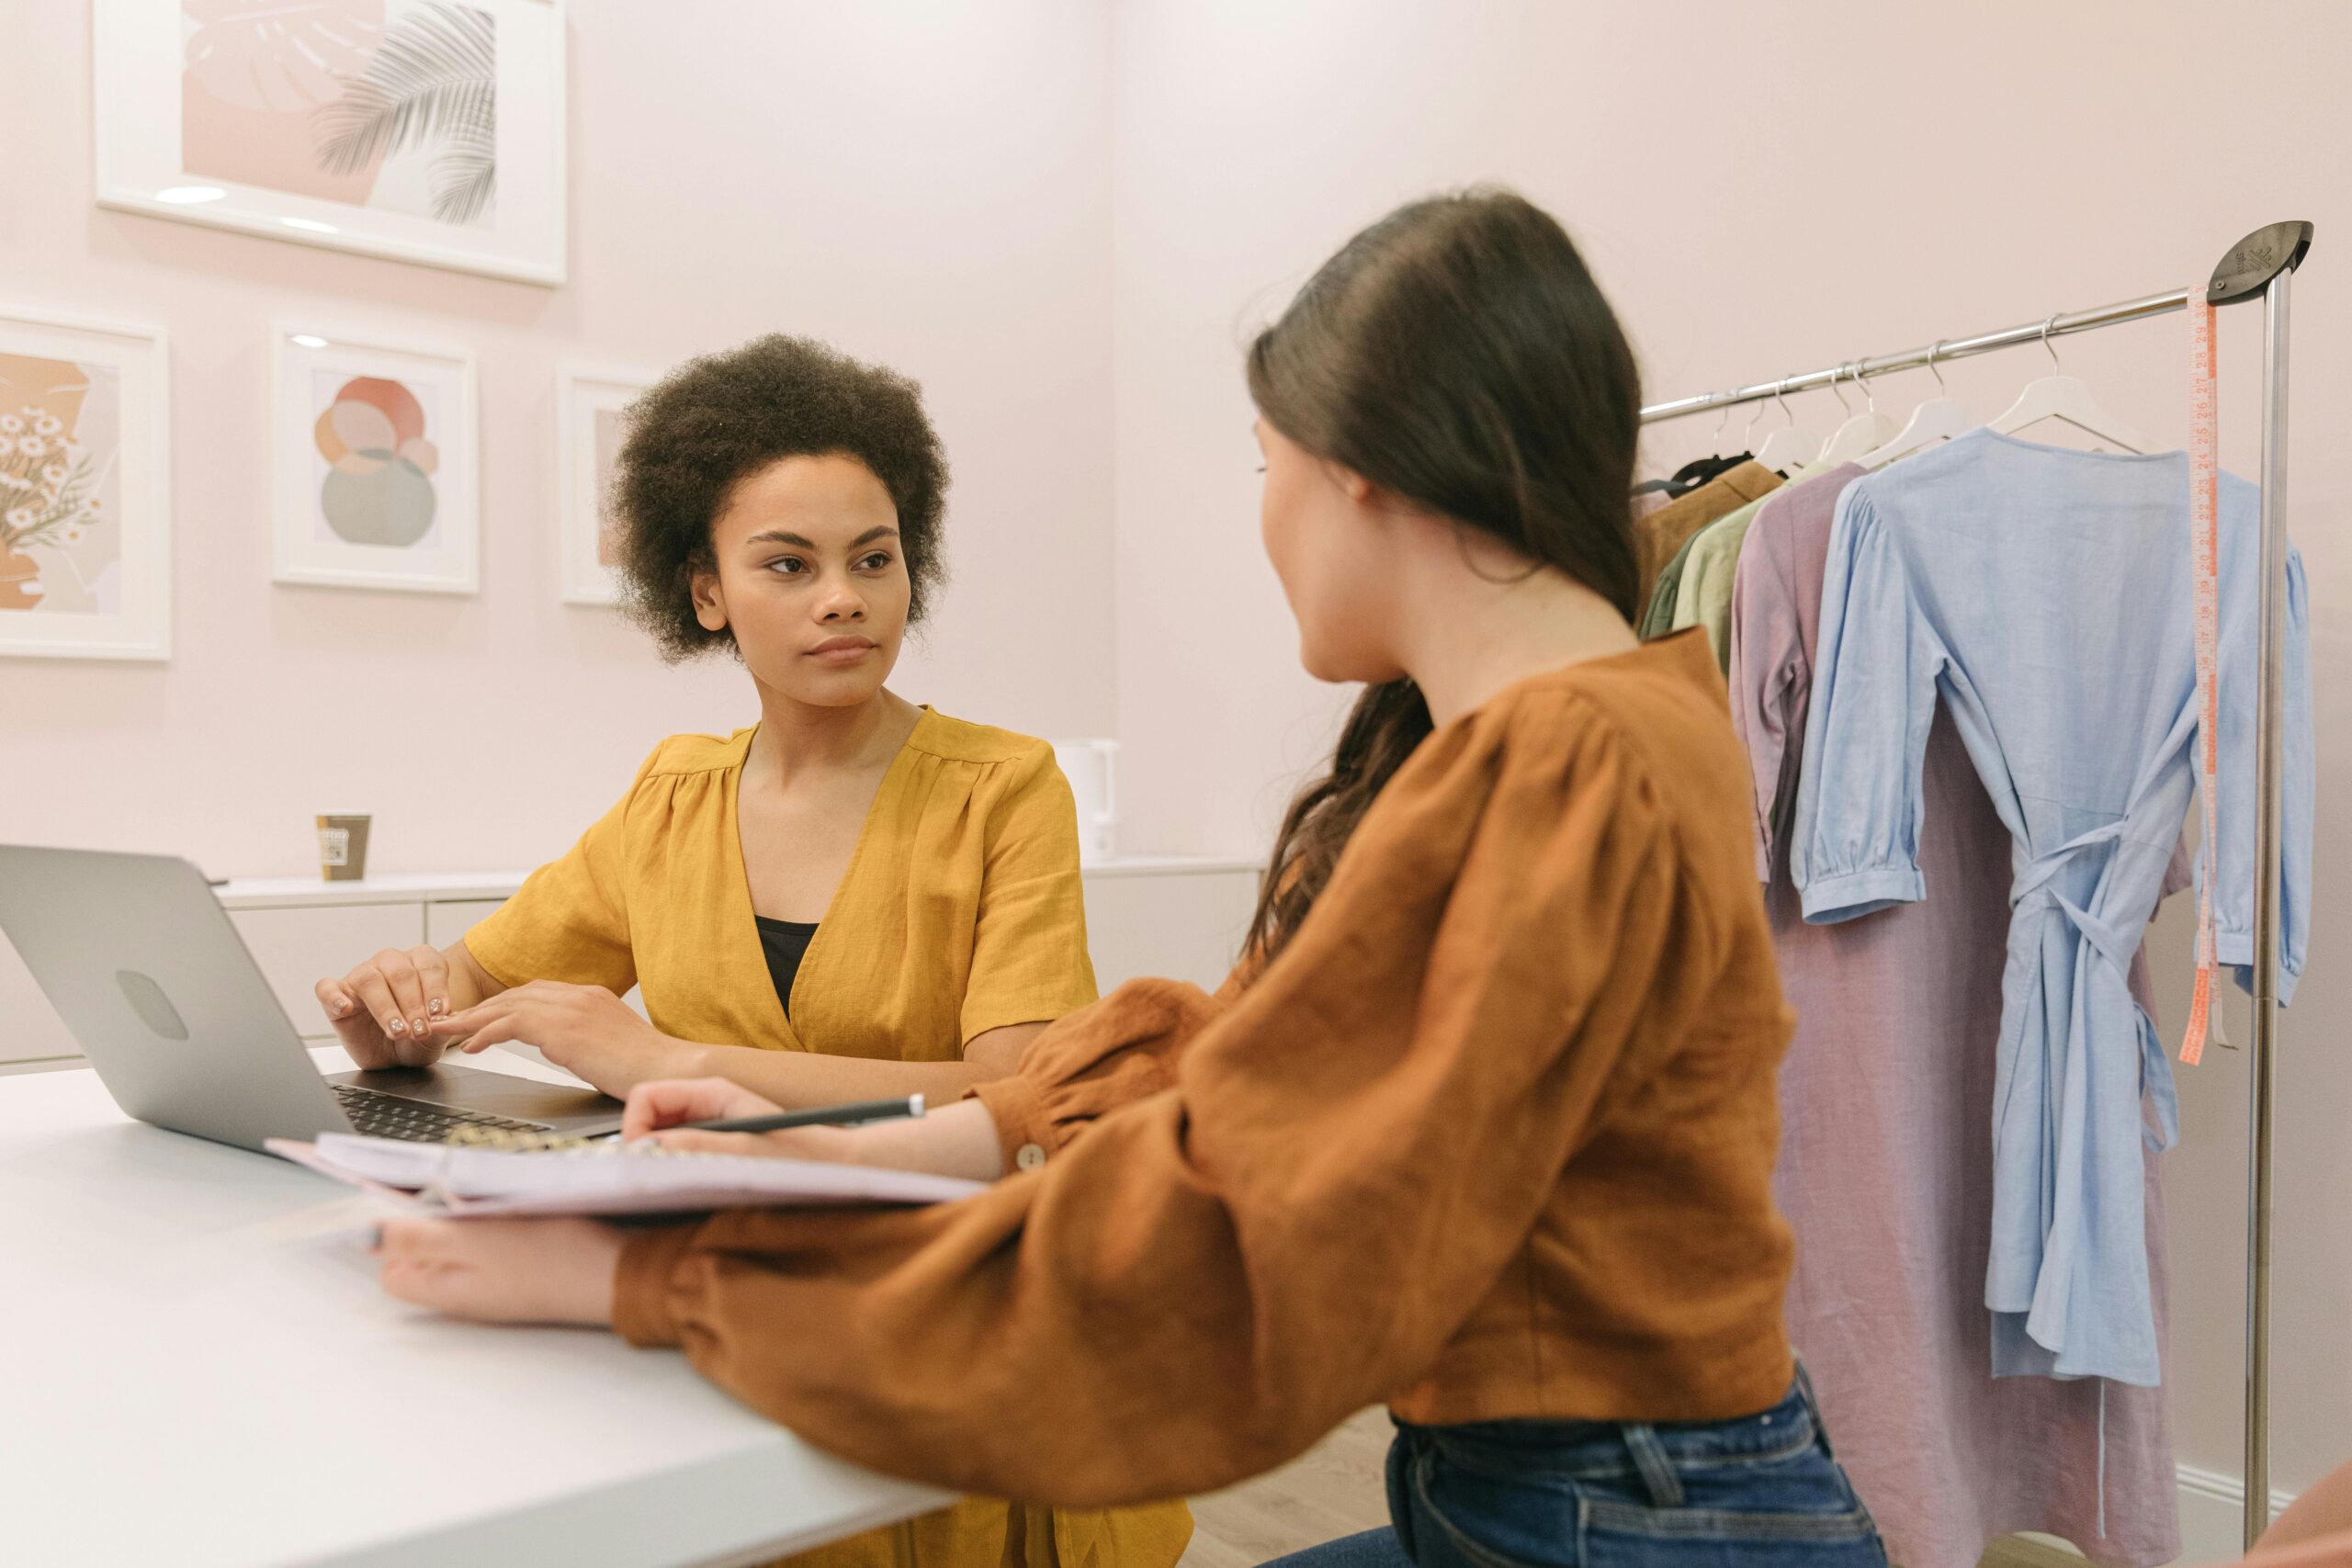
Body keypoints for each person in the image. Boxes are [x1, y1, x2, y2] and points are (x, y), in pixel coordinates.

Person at [371, 191, 1889, 1568]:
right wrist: (822, 1160)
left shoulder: (1561, 771)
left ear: (1364, 476)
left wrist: (649, 1280)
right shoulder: (1581, 733)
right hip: (1583, 1490)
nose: (1266, 515)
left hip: (1613, 1522)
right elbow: (1228, 1078)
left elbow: (1213, 1267)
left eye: (1267, 467)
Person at [319, 334, 1192, 1568]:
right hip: (719, 1314)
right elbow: (476, 979)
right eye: (790, 564)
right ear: (708, 591)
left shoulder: (1003, 788)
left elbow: (1022, 1097)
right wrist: (392, 1009)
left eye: (874, 560)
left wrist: (656, 1054)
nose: (844, 596)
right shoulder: (671, 795)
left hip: (936, 1327)